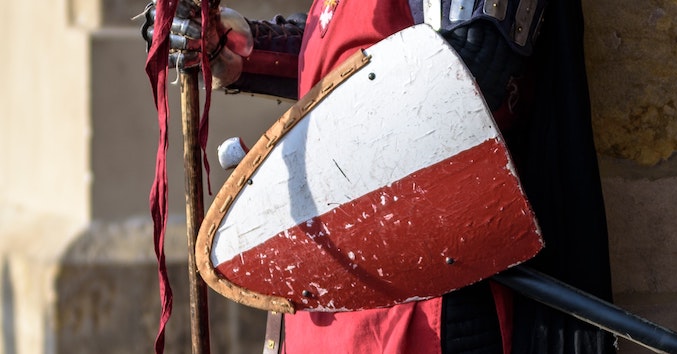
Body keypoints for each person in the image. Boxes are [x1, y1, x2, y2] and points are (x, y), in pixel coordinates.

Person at [143, 0, 615, 352]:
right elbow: (354, 63)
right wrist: (239, 49)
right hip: (329, 295)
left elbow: (465, 75)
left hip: (421, 297)